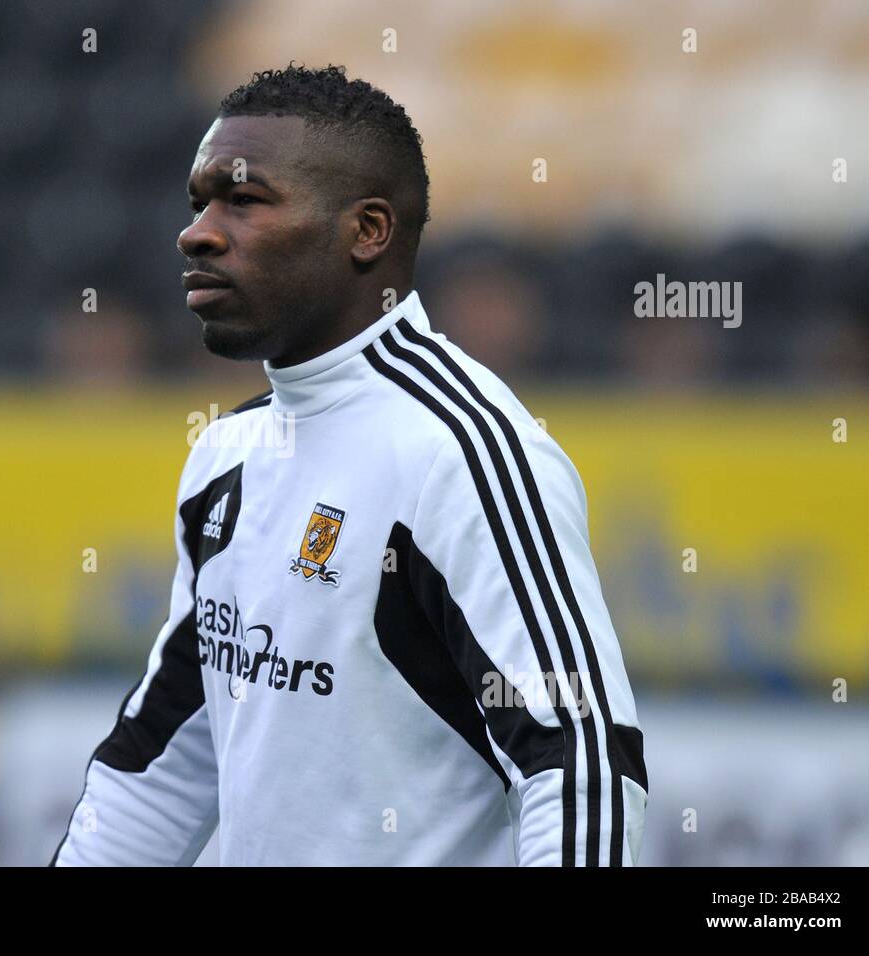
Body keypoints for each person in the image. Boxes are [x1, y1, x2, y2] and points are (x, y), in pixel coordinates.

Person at [52, 64, 647, 866]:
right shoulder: (226, 455)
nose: (198, 232)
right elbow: (163, 762)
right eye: (200, 204)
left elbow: (580, 765)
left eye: (245, 200)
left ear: (367, 231)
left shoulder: (460, 452)